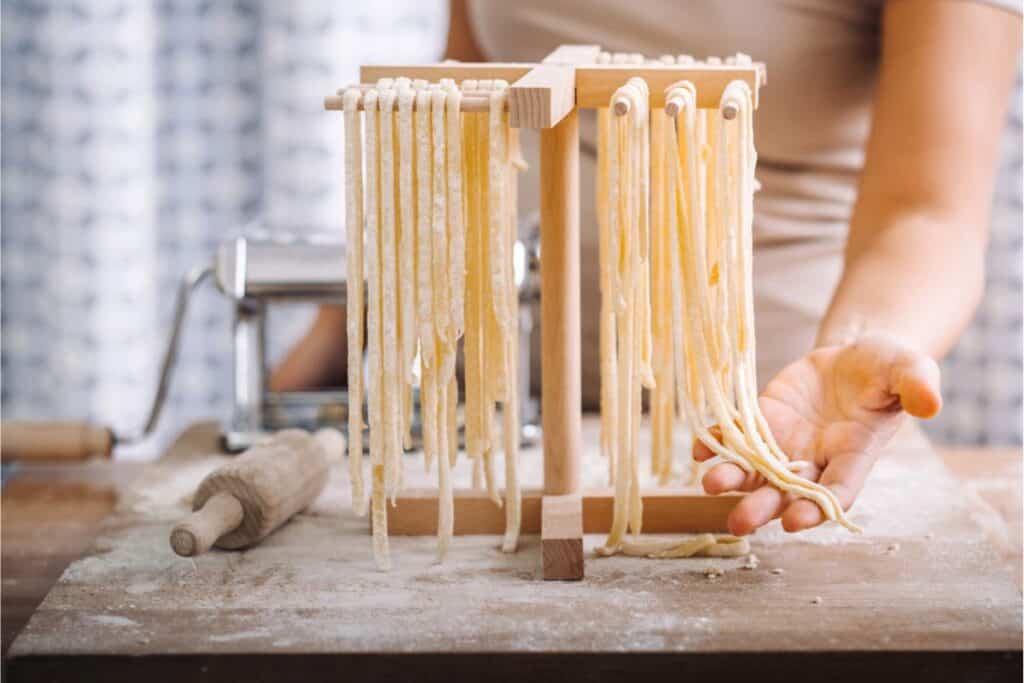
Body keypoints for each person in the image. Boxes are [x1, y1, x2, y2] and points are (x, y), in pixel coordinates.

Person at [272, 0, 1022, 536]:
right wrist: (339, 331)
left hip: (759, 434)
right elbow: (458, 102)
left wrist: (863, 344)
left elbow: (927, 213)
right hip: (484, 432)